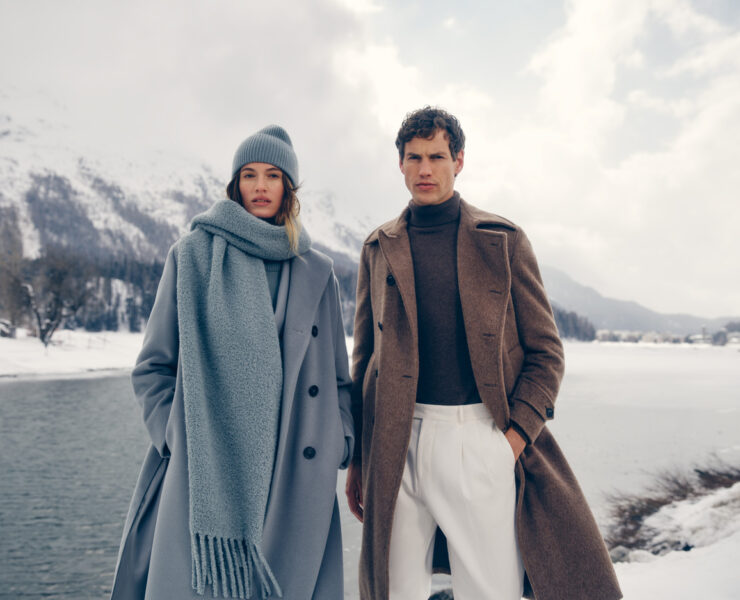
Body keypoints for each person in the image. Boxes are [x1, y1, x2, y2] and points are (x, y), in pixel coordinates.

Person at [345, 107, 622, 600]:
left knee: (490, 590)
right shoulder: (378, 246)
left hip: (478, 439)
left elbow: (546, 353)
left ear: (460, 161)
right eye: (414, 158)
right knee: (393, 590)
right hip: (394, 442)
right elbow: (364, 360)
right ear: (400, 165)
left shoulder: (503, 241)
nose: (425, 169)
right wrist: (362, 462)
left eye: (436, 156)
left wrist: (513, 438)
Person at [110, 125, 354, 600]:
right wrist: (177, 436)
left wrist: (339, 441)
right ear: (235, 184)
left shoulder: (318, 273)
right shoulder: (193, 258)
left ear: (289, 188)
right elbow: (153, 368)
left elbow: (339, 382)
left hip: (296, 473)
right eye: (249, 175)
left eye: (272, 175)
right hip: (205, 474)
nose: (260, 186)